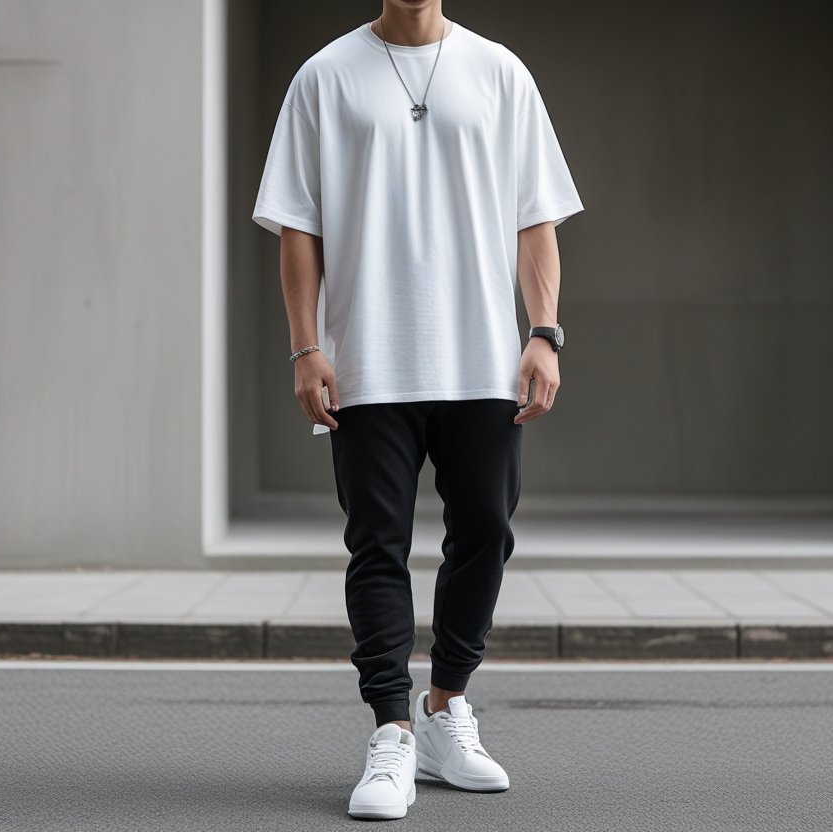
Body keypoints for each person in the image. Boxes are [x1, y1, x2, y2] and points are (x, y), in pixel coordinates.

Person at [252, 0, 583, 820]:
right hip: (368, 361)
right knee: (377, 545)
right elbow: (297, 227)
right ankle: (391, 734)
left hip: (482, 360)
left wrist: (542, 334)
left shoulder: (500, 72)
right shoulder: (324, 77)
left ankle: (445, 709)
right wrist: (305, 347)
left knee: (485, 532)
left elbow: (534, 218)